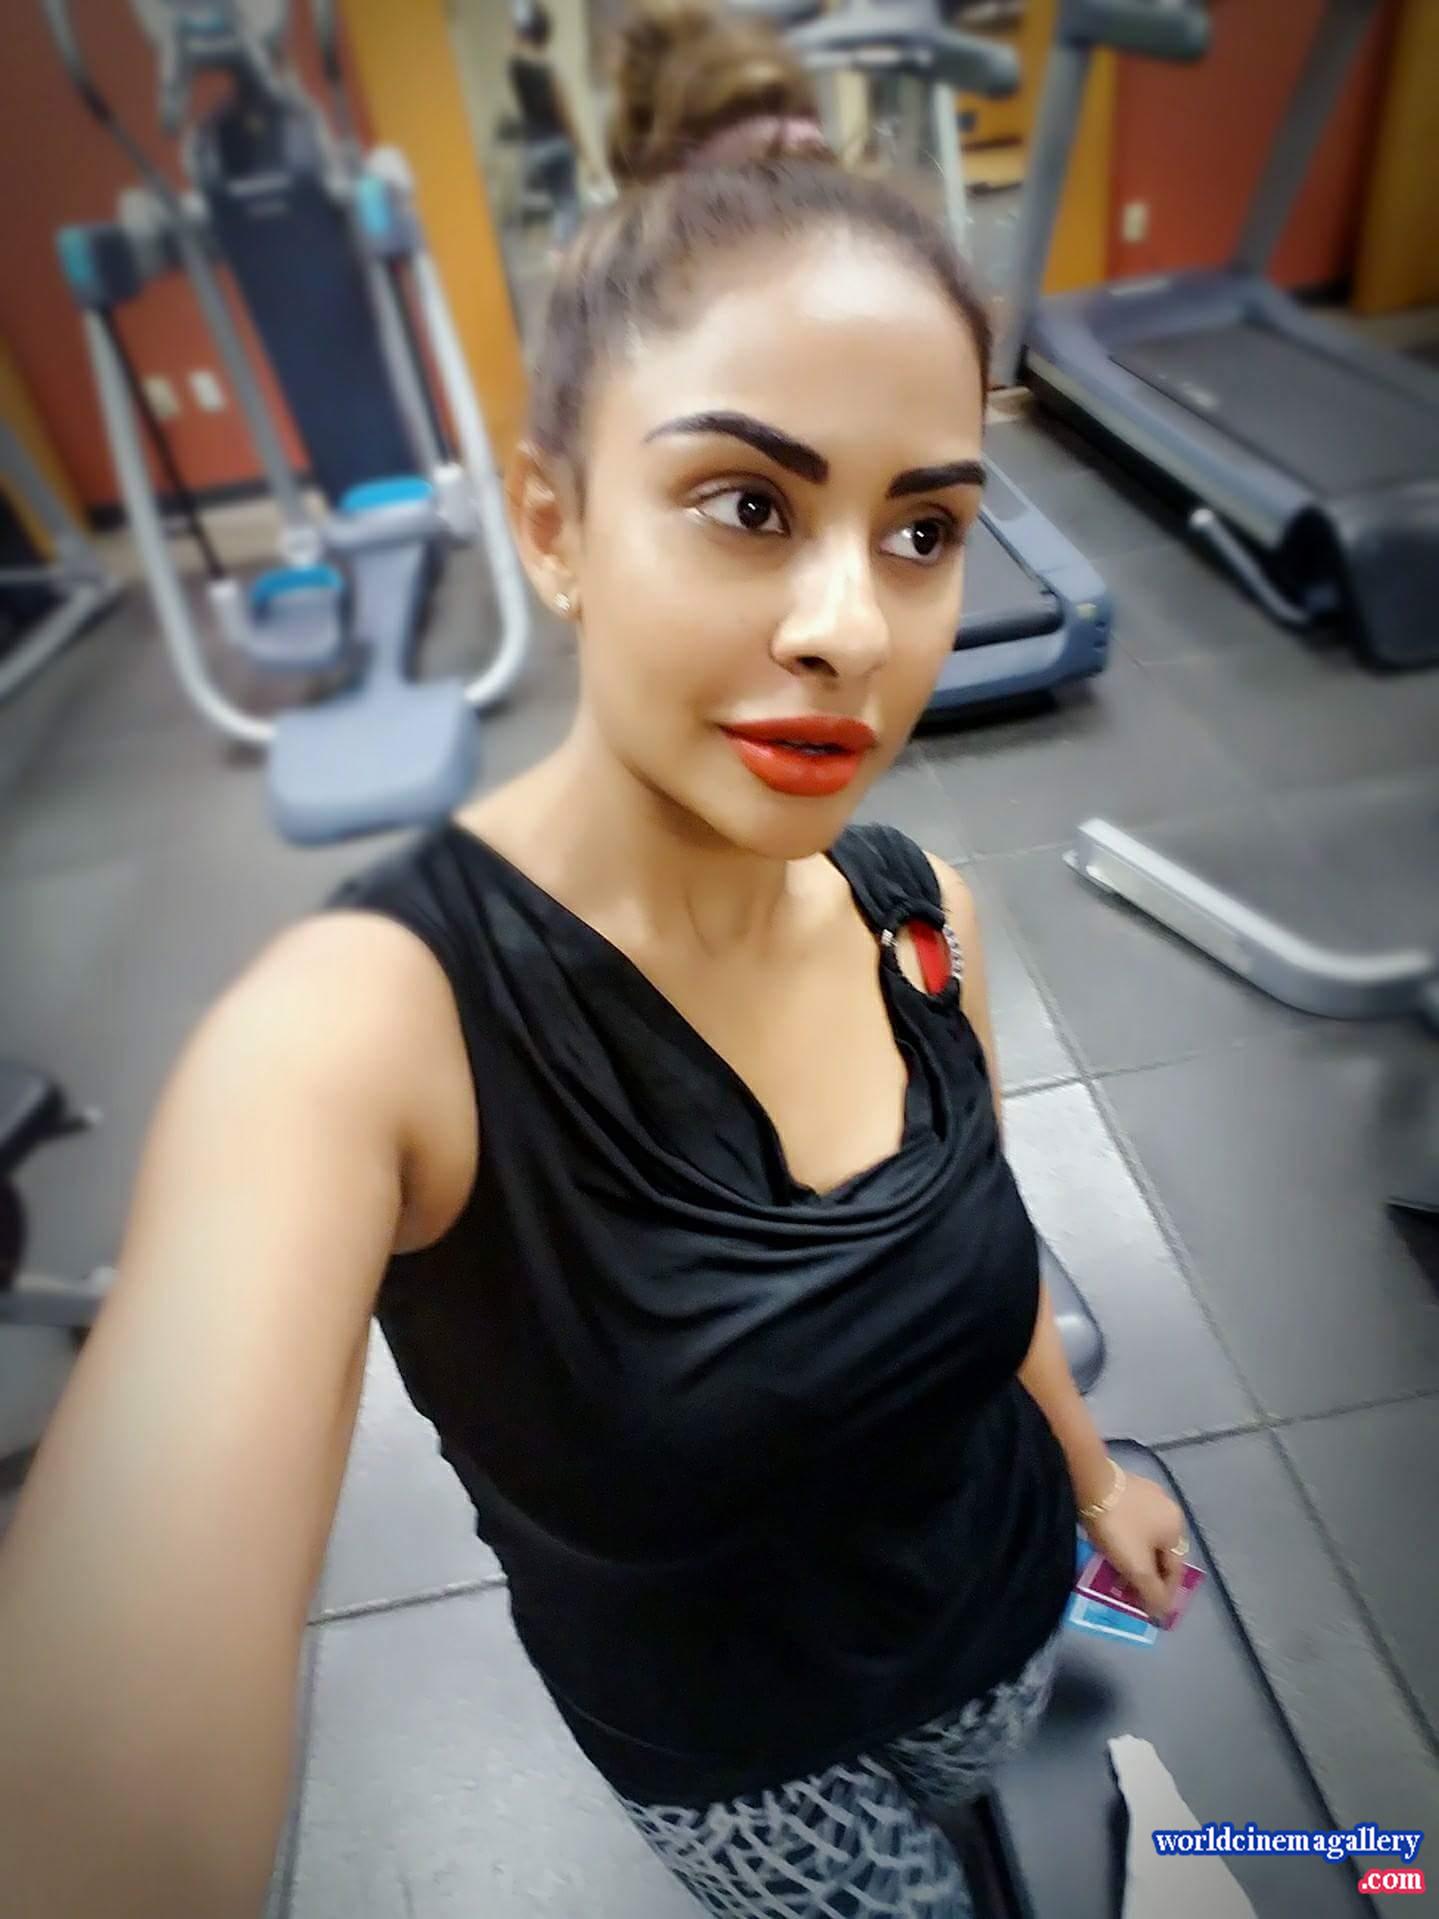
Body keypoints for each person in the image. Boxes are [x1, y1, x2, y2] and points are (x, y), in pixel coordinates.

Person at [0, 6, 1188, 1914]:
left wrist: (1092, 1476)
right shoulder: (362, 1034)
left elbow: (992, 1260)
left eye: (919, 527)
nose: (848, 626)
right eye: (747, 504)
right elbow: (100, 1807)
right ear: (553, 526)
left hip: (992, 1607)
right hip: (749, 1756)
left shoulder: (920, 914)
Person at [508, 1, 596, 247]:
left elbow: (514, 42)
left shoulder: (516, 66)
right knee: (570, 206)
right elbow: (566, 115)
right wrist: (587, 157)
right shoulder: (549, 70)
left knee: (559, 206)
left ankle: (563, 250)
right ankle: (564, 252)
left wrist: (524, 20)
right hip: (558, 145)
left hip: (535, 147)